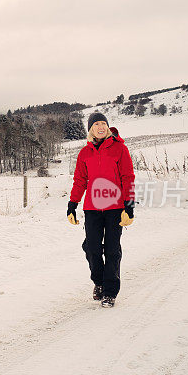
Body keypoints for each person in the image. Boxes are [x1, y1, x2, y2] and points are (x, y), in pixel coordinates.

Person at [66, 112, 135, 308]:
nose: (101, 126)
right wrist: (72, 204)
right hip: (92, 208)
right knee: (92, 248)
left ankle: (110, 292)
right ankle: (99, 282)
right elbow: (79, 181)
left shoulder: (119, 148)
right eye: (96, 124)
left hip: (115, 208)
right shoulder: (85, 153)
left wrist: (129, 206)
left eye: (103, 123)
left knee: (112, 250)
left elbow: (128, 177)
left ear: (108, 127)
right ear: (90, 129)